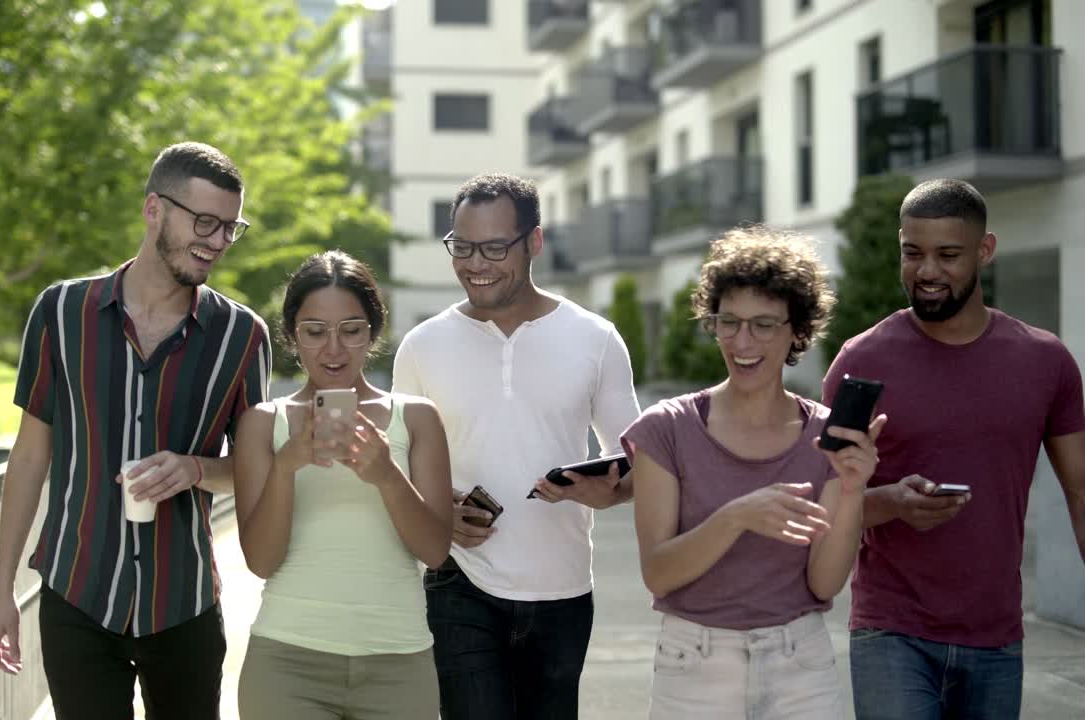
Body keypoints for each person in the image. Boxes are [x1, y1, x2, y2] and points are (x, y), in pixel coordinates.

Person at [0, 141, 271, 718]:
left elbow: (254, 471)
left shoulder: (244, 336)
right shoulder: (60, 312)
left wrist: (194, 469)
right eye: (205, 223)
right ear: (154, 210)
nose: (217, 242)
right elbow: (31, 456)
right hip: (76, 596)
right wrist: (2, 594)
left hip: (183, 607)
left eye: (229, 228)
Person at [824, 178, 1085, 719]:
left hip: (995, 637)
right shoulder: (861, 360)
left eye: (948, 255)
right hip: (891, 631)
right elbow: (822, 504)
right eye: (913, 253)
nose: (927, 272)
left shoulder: (1045, 363)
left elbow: (1081, 492)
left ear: (984, 251)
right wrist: (891, 501)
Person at [392, 172, 641, 720]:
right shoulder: (421, 346)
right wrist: (439, 512)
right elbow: (398, 466)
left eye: (493, 248)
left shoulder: (594, 338)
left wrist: (611, 494)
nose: (474, 264)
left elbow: (641, 463)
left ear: (534, 242)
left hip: (563, 588)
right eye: (461, 247)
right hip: (459, 582)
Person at [623, 226, 883, 719]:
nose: (743, 341)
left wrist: (852, 490)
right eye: (729, 322)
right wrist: (737, 516)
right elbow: (658, 573)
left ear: (796, 331)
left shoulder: (827, 435)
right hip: (693, 666)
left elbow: (825, 585)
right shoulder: (667, 428)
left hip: (800, 666)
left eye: (764, 325)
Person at [232, 250, 453, 719]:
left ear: (373, 332)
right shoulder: (262, 424)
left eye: (351, 330)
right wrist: (287, 466)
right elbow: (261, 561)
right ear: (293, 335)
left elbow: (435, 551)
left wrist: (386, 475)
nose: (333, 350)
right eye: (315, 332)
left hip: (399, 660)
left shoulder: (415, 418)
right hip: (287, 661)